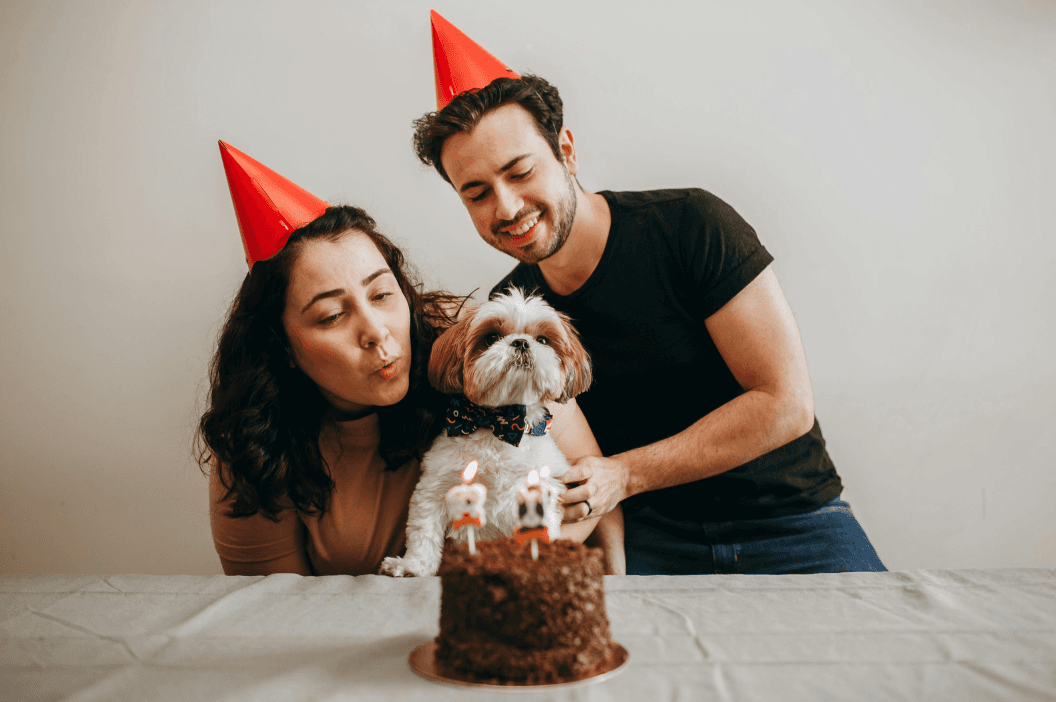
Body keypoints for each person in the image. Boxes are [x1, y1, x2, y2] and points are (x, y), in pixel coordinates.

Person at [410, 15, 886, 575]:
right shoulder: (510, 319)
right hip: (651, 538)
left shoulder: (690, 225)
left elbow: (785, 405)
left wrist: (627, 474)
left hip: (797, 522)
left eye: (520, 172)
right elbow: (547, 460)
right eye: (477, 192)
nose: (507, 207)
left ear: (566, 150)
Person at [198, 143, 614, 576]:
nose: (376, 331)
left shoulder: (473, 337)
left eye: (381, 294)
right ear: (281, 345)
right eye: (331, 315)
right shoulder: (252, 443)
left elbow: (588, 490)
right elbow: (270, 604)